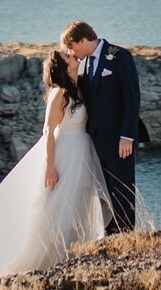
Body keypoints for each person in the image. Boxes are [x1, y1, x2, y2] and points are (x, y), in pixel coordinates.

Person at [0, 48, 113, 290]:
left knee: (75, 206)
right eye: (69, 57)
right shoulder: (59, 94)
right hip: (63, 153)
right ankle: (37, 261)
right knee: (53, 206)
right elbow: (48, 131)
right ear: (63, 66)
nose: (74, 57)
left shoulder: (79, 87)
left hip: (81, 152)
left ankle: (67, 257)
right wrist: (50, 166)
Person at [60, 19, 145, 233]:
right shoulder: (85, 63)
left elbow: (132, 98)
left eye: (71, 46)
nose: (71, 51)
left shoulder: (119, 56)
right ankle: (108, 234)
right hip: (95, 141)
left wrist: (128, 136)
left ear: (82, 40)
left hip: (119, 139)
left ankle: (125, 234)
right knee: (102, 190)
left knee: (122, 188)